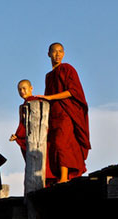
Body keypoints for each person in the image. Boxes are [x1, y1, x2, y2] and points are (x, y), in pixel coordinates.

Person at [35, 42, 90, 184]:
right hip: (54, 114)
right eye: (54, 51)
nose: (57, 54)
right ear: (48, 54)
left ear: (64, 54)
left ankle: (65, 176)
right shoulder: (49, 76)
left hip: (66, 112)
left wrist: (50, 97)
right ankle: (59, 176)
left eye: (60, 51)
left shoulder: (67, 69)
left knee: (62, 142)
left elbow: (73, 91)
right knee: (53, 144)